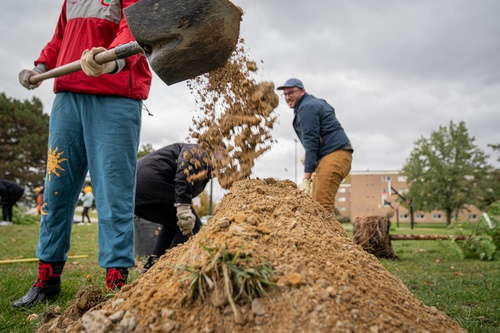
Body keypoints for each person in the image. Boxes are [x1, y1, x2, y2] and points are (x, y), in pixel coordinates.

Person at [13, 0, 152, 308]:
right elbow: (60, 39)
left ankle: (116, 281)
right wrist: (39, 67)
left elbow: (135, 29)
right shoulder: (71, 1)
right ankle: (47, 278)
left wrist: (111, 60)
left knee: (114, 192)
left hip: (114, 96)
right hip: (68, 98)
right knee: (56, 189)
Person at [277, 78, 353, 215]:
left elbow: (311, 141)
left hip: (334, 155)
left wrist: (305, 178)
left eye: (291, 93)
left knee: (321, 206)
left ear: (302, 91)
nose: (288, 97)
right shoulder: (313, 103)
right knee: (315, 204)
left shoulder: (307, 107)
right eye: (285, 94)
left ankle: (329, 237)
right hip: (330, 155)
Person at [134, 143, 213, 273]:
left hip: (134, 189)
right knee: (193, 227)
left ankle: (152, 266)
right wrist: (183, 205)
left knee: (173, 224)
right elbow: (185, 169)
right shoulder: (201, 152)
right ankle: (168, 271)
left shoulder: (200, 161)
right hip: (153, 183)